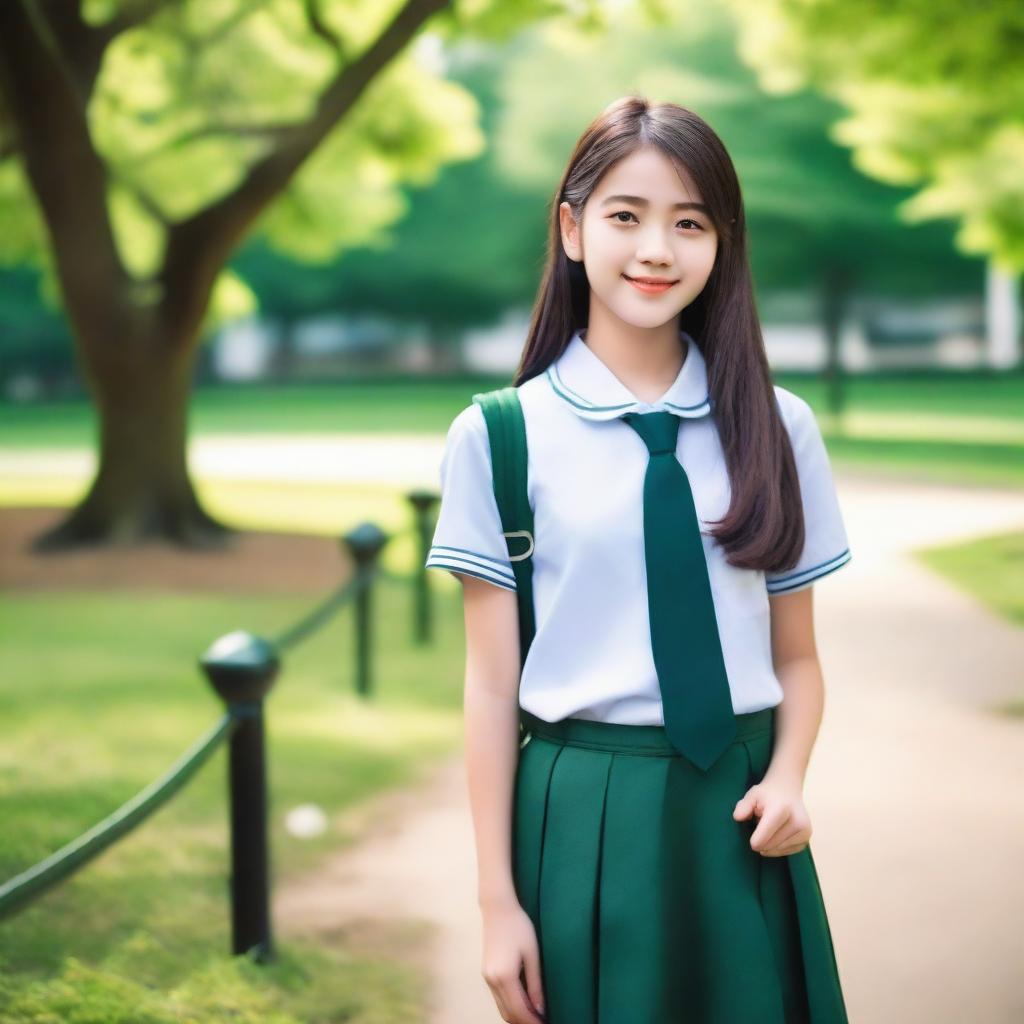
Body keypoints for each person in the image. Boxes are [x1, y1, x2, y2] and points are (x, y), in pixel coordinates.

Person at [424, 95, 853, 1024]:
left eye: (689, 223)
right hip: (581, 810)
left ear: (721, 244)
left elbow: (798, 659)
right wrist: (498, 903)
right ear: (572, 229)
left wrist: (787, 779)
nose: (657, 249)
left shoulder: (778, 428)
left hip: (739, 817)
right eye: (627, 215)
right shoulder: (499, 437)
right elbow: (492, 690)